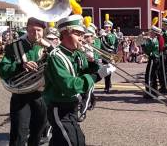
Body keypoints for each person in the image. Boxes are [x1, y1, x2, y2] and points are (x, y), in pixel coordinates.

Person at [43, 14, 115, 145]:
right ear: (65, 33)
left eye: (83, 34)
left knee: (61, 141)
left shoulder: (77, 53)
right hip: (59, 107)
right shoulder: (56, 56)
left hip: (72, 105)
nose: (82, 38)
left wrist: (93, 63)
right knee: (75, 141)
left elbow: (85, 73)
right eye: (79, 34)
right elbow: (70, 85)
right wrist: (98, 75)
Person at [0, 17, 50, 146]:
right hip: (21, 96)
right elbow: (2, 69)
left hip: (42, 96)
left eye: (39, 30)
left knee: (38, 132)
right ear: (26, 29)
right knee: (19, 133)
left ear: (43, 31)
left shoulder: (49, 47)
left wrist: (49, 46)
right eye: (31, 30)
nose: (35, 34)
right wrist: (20, 66)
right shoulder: (15, 46)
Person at [100, 14, 118, 93]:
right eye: (105, 27)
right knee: (105, 70)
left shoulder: (112, 35)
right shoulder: (102, 35)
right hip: (104, 54)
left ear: (111, 28)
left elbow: (111, 43)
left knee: (108, 70)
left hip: (110, 54)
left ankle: (107, 87)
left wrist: (106, 35)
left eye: (108, 27)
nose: (106, 28)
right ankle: (108, 84)